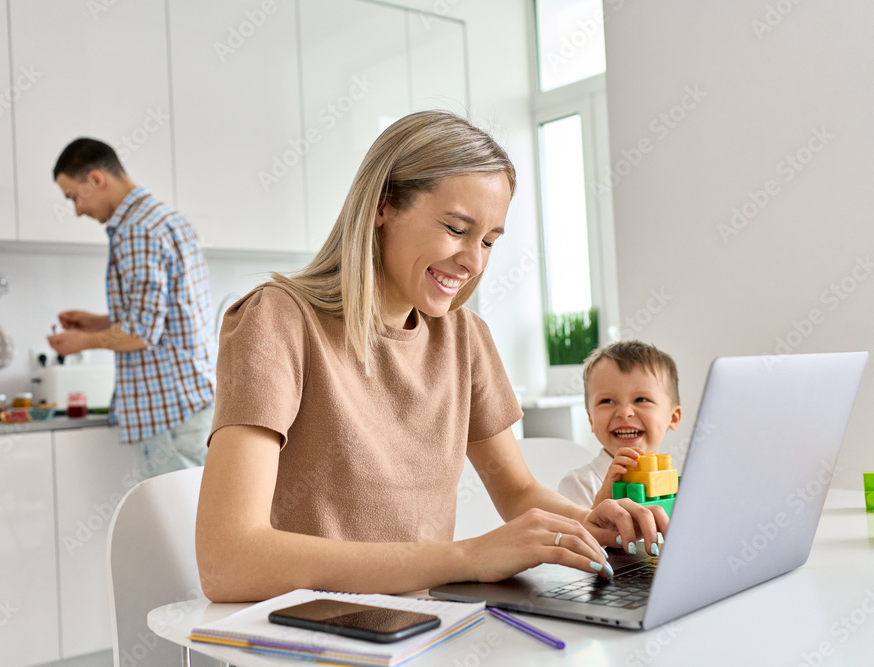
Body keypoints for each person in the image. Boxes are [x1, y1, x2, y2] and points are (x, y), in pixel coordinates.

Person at [195, 111, 668, 603]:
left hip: (426, 627)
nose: (475, 261)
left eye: (488, 241)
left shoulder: (463, 337)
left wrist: (593, 527)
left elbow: (518, 492)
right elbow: (228, 562)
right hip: (316, 633)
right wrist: (466, 558)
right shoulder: (278, 320)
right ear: (384, 206)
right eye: (456, 229)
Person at [47, 138, 215, 475]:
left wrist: (83, 343)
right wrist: (97, 323)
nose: (77, 210)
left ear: (95, 180)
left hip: (168, 409)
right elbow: (164, 315)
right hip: (190, 400)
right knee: (193, 520)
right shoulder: (164, 218)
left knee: (177, 526)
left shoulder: (136, 230)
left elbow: (141, 331)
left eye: (73, 197)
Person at [558, 341, 683, 511]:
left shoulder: (684, 484)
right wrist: (598, 511)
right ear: (591, 420)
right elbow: (577, 536)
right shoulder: (579, 485)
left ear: (673, 418)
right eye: (607, 401)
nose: (624, 413)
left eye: (641, 399)